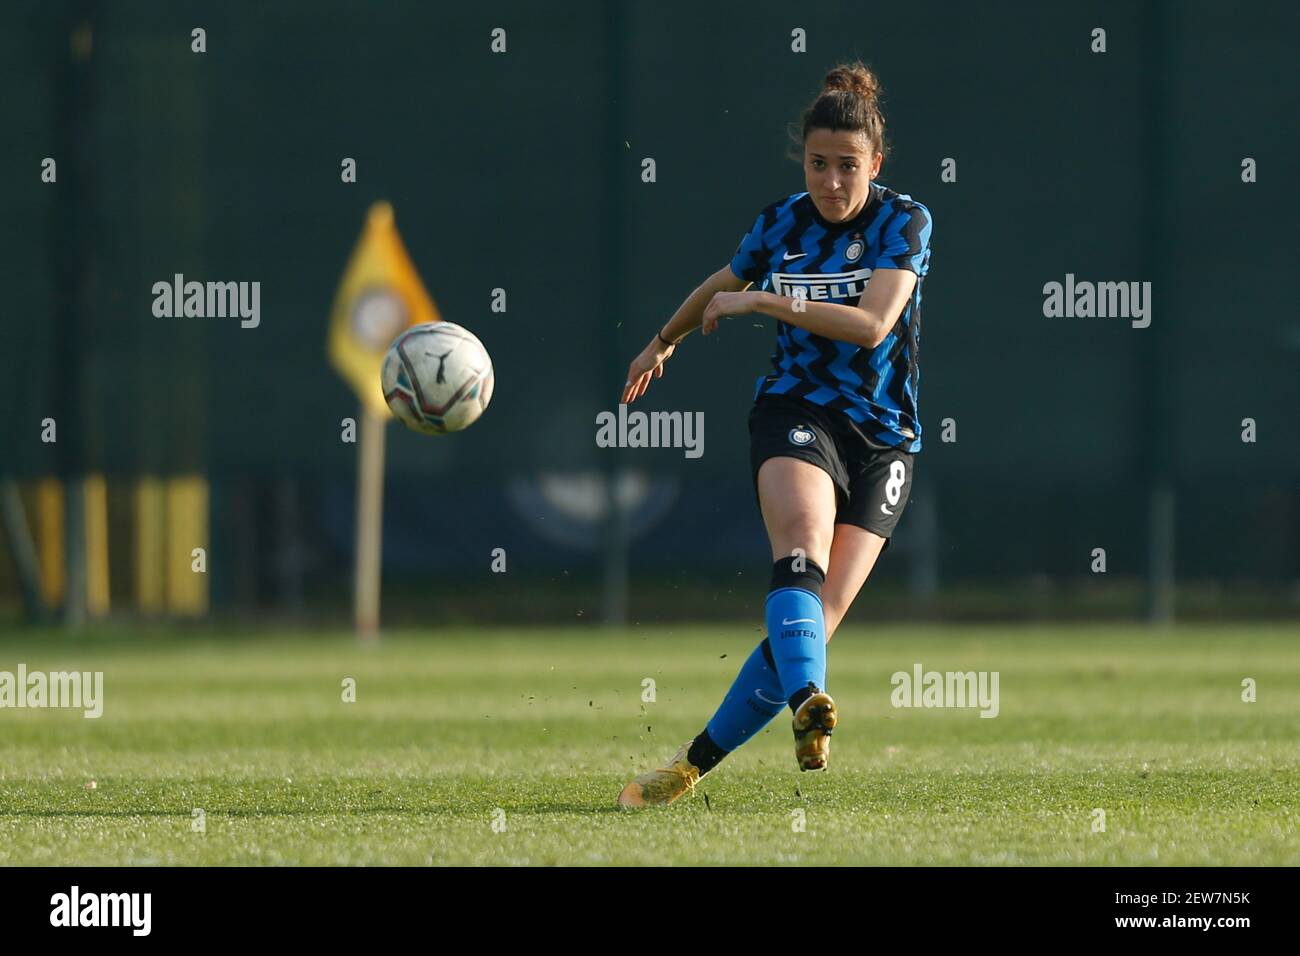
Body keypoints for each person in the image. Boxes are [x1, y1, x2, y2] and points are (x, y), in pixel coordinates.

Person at [616, 61, 933, 807]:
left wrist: (766, 302)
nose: (830, 182)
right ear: (803, 160)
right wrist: (665, 338)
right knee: (799, 551)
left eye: (847, 166)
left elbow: (872, 325)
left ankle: (693, 764)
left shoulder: (902, 221)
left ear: (875, 164)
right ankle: (808, 706)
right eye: (818, 163)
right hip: (798, 409)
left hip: (886, 439)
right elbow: (723, 281)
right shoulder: (780, 222)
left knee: (813, 626)